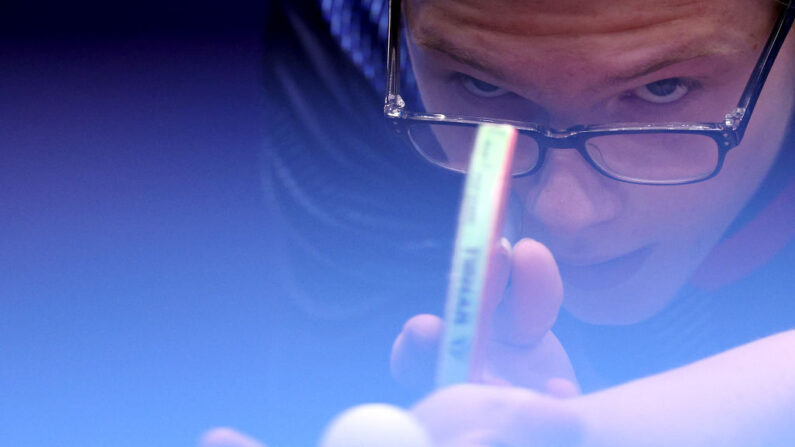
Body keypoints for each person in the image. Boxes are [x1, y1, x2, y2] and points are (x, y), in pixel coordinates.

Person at [205, 0, 795, 445]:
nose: (561, 215)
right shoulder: (358, 26)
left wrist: (592, 429)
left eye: (663, 89)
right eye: (482, 86)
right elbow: (360, 392)